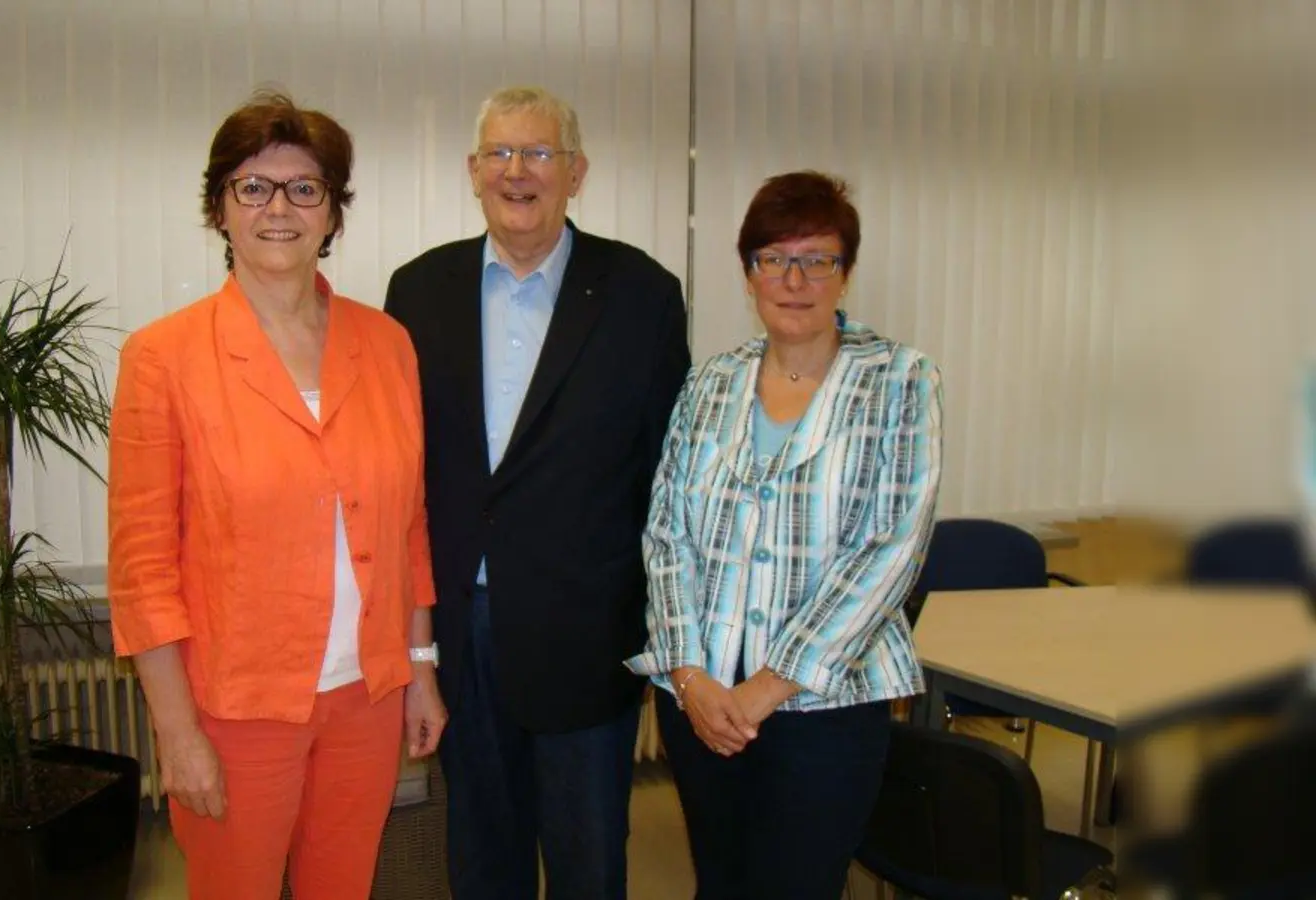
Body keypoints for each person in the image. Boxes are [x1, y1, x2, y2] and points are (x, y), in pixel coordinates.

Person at [107, 90, 447, 900]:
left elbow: (409, 526)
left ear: (332, 214)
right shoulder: (165, 357)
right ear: (219, 210)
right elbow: (142, 568)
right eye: (252, 187)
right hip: (236, 706)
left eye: (304, 188)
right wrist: (177, 733)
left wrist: (421, 668)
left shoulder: (387, 344)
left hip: (367, 695)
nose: (279, 208)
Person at [384, 86, 690, 900]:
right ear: (473, 171)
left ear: (577, 171)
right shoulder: (417, 293)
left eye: (540, 153)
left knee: (590, 860)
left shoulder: (642, 294)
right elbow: (403, 471)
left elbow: (668, 478)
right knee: (482, 853)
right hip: (461, 628)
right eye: (500, 153)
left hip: (584, 632)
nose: (518, 171)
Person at [626, 171, 944, 899]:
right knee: (721, 883)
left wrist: (767, 688)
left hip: (825, 708)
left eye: (817, 259)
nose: (794, 279)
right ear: (749, 274)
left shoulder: (901, 380)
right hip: (701, 702)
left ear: (846, 272)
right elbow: (666, 534)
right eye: (774, 258)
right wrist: (689, 675)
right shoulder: (710, 384)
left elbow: (891, 550)